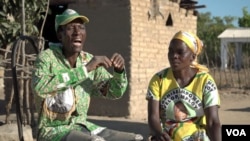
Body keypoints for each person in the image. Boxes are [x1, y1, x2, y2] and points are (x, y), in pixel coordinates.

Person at [31, 9, 144, 141]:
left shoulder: (87, 59)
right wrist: (85, 70)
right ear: (60, 35)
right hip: (53, 131)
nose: (77, 32)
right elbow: (40, 88)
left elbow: (114, 92)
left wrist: (119, 72)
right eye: (70, 28)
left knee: (135, 139)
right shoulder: (46, 58)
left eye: (81, 27)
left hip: (83, 128)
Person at [146, 31, 221, 141]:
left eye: (180, 52)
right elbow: (153, 117)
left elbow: (213, 122)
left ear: (192, 57)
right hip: (167, 135)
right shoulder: (159, 80)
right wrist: (160, 134)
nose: (174, 56)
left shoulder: (205, 81)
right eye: (170, 51)